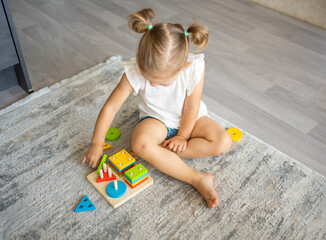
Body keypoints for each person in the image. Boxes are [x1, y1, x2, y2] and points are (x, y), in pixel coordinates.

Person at [81, 8, 232, 209]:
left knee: (223, 142)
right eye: (149, 79)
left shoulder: (194, 67)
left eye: (160, 83)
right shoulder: (134, 71)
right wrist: (96, 143)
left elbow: (191, 105)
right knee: (140, 144)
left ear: (183, 67)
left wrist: (183, 136)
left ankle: (161, 153)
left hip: (192, 119)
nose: (152, 85)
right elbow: (110, 107)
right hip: (156, 120)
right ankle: (195, 178)